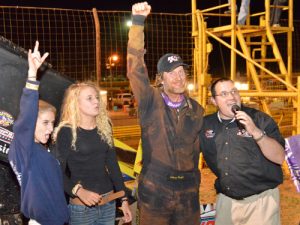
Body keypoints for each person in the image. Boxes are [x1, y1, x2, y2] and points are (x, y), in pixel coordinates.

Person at [127, 2, 204, 225]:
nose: (179, 77)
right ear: (161, 78)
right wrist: (137, 23)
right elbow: (135, 69)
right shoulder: (150, 99)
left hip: (188, 193)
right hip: (156, 191)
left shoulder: (196, 110)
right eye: (172, 73)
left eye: (182, 72)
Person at [199, 77, 285, 225]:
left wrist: (255, 132)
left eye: (234, 91)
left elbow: (280, 157)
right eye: (224, 94)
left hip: (261, 202)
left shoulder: (259, 119)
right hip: (226, 201)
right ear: (213, 100)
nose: (232, 97)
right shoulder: (206, 124)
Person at [53, 82, 132, 225]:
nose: (96, 101)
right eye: (89, 98)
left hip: (109, 203)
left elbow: (113, 165)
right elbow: (57, 171)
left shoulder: (105, 126)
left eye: (96, 97)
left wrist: (124, 199)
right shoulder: (66, 131)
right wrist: (78, 191)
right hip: (81, 209)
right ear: (75, 103)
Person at [8, 41, 69, 225]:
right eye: (45, 122)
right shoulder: (23, 148)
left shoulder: (39, 150)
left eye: (52, 123)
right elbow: (26, 118)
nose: (51, 129)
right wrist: (32, 76)